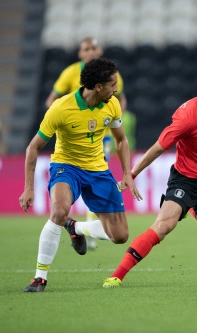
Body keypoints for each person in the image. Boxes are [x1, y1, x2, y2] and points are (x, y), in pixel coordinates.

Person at [102, 51, 197, 288]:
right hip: (185, 180)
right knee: (163, 226)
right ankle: (117, 274)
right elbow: (156, 149)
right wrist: (131, 174)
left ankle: (194, 210)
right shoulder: (188, 118)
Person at [19, 58, 140, 292]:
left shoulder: (112, 104)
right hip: (67, 166)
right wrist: (28, 187)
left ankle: (76, 228)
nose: (116, 89)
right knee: (59, 211)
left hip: (98, 169)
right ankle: (39, 278)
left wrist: (127, 173)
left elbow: (121, 139)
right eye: (112, 84)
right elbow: (33, 147)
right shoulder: (61, 108)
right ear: (97, 87)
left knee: (120, 236)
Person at [45, 37, 128, 249]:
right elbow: (51, 100)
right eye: (86, 48)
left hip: (102, 137)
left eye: (94, 48)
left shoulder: (112, 77)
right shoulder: (70, 73)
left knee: (96, 176)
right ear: (80, 54)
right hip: (73, 142)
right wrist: (63, 124)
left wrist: (113, 117)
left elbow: (120, 99)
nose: (91, 51)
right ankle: (87, 227)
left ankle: (86, 226)